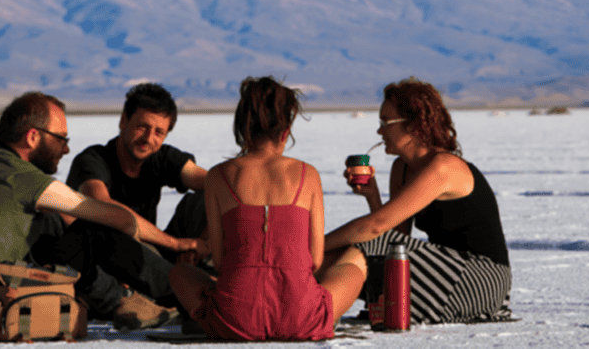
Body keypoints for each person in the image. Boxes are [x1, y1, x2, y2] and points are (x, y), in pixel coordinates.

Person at [0, 92, 178, 341]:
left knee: (54, 224)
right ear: (33, 137)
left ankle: (126, 302)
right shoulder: (19, 177)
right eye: (60, 138)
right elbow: (113, 217)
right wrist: (177, 244)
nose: (66, 149)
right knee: (93, 233)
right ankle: (187, 295)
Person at [168, 76, 366, 341]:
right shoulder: (308, 174)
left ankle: (214, 311)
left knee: (180, 273)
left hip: (233, 320)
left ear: (243, 125)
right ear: (287, 127)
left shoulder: (218, 176)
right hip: (302, 319)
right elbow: (315, 260)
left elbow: (220, 258)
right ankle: (313, 312)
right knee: (354, 268)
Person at [323, 78, 512, 324]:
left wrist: (310, 247)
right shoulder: (401, 167)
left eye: (385, 122)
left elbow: (375, 228)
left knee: (341, 251)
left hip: (481, 279)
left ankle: (316, 319)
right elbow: (394, 238)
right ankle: (305, 312)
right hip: (439, 271)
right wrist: (373, 196)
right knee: (325, 262)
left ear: (414, 125)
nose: (379, 131)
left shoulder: (444, 167)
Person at [65, 83, 210, 267]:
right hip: (101, 257)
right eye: (142, 127)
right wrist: (176, 244)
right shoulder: (92, 160)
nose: (149, 138)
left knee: (202, 200)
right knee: (115, 230)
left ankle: (201, 265)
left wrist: (205, 242)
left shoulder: (162, 157)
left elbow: (213, 182)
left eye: (159, 132)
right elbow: (102, 205)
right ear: (123, 121)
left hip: (150, 253)